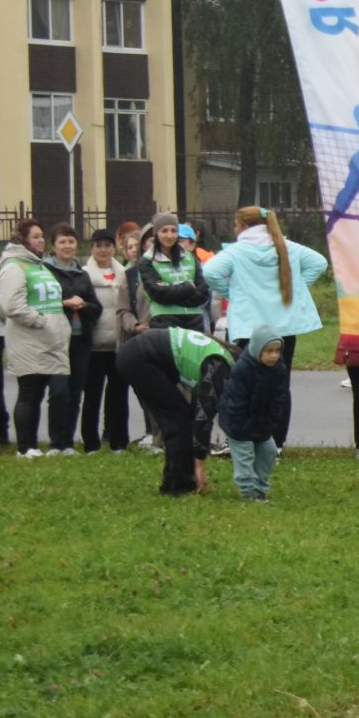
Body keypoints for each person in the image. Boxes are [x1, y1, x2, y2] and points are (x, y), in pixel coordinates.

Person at [203, 206, 327, 449]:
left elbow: (210, 271)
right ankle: (276, 442)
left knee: (246, 382)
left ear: (245, 226)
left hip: (250, 328)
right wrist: (295, 288)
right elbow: (319, 263)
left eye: (236, 225)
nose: (235, 229)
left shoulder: (238, 251)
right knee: (280, 384)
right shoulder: (286, 246)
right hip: (284, 327)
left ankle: (245, 437)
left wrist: (233, 293)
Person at [116, 326, 232, 495]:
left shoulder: (222, 358)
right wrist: (199, 464)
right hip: (139, 357)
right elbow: (204, 417)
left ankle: (178, 479)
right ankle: (177, 485)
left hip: (140, 352)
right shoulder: (220, 369)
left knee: (181, 418)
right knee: (177, 420)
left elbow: (198, 412)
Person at [0, 219, 73, 456]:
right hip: (29, 338)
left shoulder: (38, 266)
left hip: (48, 339)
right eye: (36, 236)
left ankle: (34, 445)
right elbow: (11, 305)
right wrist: (39, 320)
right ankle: (25, 447)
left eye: (42, 236)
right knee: (29, 392)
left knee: (40, 392)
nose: (41, 240)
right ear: (23, 240)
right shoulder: (14, 267)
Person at [219, 323, 291, 502]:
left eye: (277, 351)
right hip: (238, 423)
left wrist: (270, 422)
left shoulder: (279, 369)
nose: (274, 355)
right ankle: (248, 491)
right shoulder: (243, 368)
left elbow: (278, 398)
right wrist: (239, 427)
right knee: (245, 456)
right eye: (269, 351)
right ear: (258, 349)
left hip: (261, 423)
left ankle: (260, 487)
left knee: (269, 451)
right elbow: (236, 401)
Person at [44, 224, 100, 454]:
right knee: (58, 391)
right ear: (53, 246)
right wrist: (65, 304)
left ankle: (67, 442)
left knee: (75, 391)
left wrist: (83, 304)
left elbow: (96, 307)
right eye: (62, 242)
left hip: (81, 339)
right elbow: (42, 303)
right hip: (56, 339)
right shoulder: (45, 271)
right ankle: (55, 442)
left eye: (71, 241)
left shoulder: (82, 274)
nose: (67, 246)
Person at [81, 229, 129, 453]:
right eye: (99, 245)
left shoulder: (123, 273)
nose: (103, 250)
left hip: (118, 345)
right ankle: (91, 443)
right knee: (92, 395)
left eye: (108, 245)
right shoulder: (83, 275)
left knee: (118, 396)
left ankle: (118, 440)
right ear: (92, 249)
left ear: (114, 248)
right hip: (93, 345)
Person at [136, 212, 211, 332]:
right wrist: (188, 288)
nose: (169, 235)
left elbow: (203, 292)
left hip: (194, 322)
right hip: (164, 322)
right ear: (156, 233)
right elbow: (158, 293)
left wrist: (171, 292)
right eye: (164, 231)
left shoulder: (190, 258)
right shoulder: (147, 261)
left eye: (173, 230)